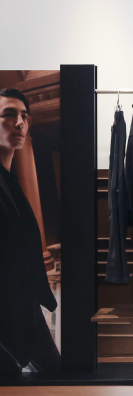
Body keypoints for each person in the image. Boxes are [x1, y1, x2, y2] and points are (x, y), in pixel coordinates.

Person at [0, 88, 60, 373]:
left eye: (24, 116)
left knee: (56, 375)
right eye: (8, 114)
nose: (19, 123)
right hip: (6, 311)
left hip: (26, 306)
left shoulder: (10, 182)